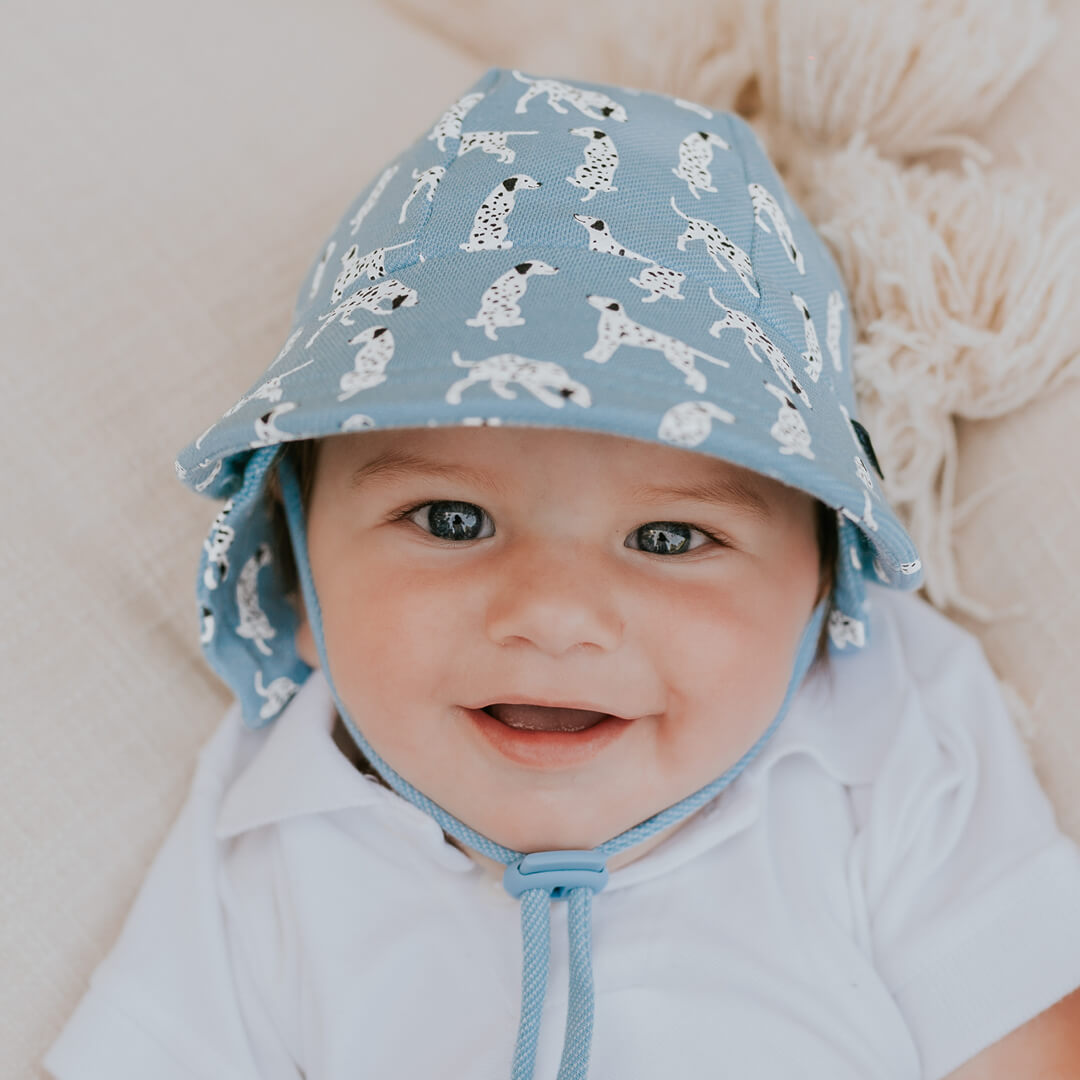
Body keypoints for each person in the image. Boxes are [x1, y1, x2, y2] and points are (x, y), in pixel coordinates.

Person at [43, 66, 1080, 1080]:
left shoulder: (885, 735)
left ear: (819, 589)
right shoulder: (275, 829)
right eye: (452, 519)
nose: (553, 615)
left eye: (670, 538)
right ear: (298, 581)